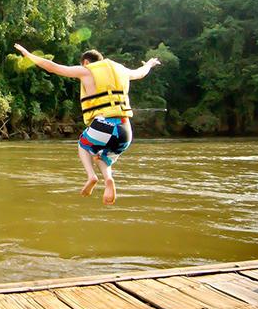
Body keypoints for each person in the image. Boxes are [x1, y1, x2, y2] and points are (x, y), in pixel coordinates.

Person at [13, 44, 160, 205]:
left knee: (83, 144)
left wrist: (28, 54)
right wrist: (149, 64)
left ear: (85, 62)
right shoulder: (122, 70)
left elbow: (53, 67)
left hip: (104, 124)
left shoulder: (87, 70)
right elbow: (140, 73)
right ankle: (109, 179)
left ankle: (91, 176)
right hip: (125, 130)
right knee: (101, 156)